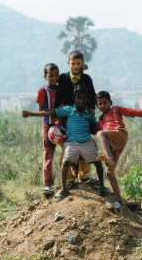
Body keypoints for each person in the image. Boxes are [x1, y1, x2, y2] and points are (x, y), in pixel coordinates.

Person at [22, 85, 107, 200]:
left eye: (83, 98)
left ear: (87, 99)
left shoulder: (89, 113)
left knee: (98, 162)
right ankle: (64, 189)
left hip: (87, 141)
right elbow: (51, 112)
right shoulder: (68, 110)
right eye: (78, 98)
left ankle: (101, 186)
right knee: (65, 162)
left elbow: (95, 128)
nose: (81, 100)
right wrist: (32, 114)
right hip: (71, 142)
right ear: (74, 98)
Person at [95, 91, 142, 205]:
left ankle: (109, 158)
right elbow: (93, 129)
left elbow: (132, 112)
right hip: (113, 145)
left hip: (119, 134)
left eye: (105, 103)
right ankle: (119, 200)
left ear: (110, 102)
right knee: (109, 173)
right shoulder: (101, 119)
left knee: (100, 134)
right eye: (100, 104)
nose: (102, 105)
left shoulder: (116, 109)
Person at [55, 50, 96, 185]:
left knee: (84, 144)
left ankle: (84, 175)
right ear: (68, 63)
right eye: (73, 63)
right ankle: (68, 179)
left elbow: (92, 96)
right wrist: (58, 117)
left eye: (79, 64)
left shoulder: (87, 79)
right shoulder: (63, 78)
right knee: (67, 148)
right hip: (67, 118)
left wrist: (91, 110)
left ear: (82, 64)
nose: (76, 66)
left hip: (82, 118)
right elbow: (59, 97)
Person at [35, 63, 60, 195]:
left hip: (61, 125)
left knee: (69, 151)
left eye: (56, 75)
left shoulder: (62, 89)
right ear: (45, 77)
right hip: (48, 125)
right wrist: (56, 110)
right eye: (51, 76)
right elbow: (40, 111)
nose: (54, 78)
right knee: (48, 154)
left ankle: (71, 178)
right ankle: (48, 184)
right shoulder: (42, 91)